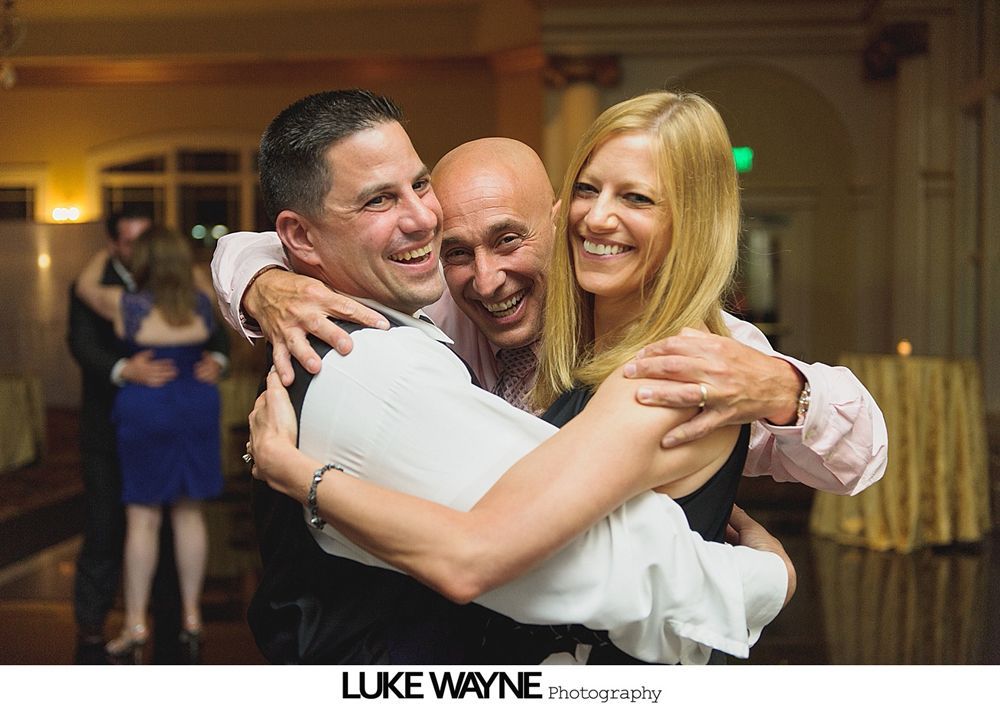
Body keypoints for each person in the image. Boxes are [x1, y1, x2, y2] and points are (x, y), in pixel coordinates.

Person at [233, 88, 795, 665]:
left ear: (693, 223)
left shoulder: (670, 374)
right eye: (587, 188)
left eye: (637, 198)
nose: (598, 216)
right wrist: (260, 279)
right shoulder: (589, 357)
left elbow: (471, 556)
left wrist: (297, 473)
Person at [214, 148, 886, 500]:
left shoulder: (665, 342)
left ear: (561, 221)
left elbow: (862, 455)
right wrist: (266, 285)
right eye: (457, 251)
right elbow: (243, 248)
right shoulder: (436, 306)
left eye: (508, 241)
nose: (485, 278)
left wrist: (783, 386)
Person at [67, 207, 230, 664]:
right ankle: (192, 619)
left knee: (143, 519)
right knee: (189, 515)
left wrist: (104, 251)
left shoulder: (128, 305)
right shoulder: (201, 301)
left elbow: (83, 287)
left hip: (148, 407)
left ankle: (136, 624)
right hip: (196, 404)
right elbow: (209, 295)